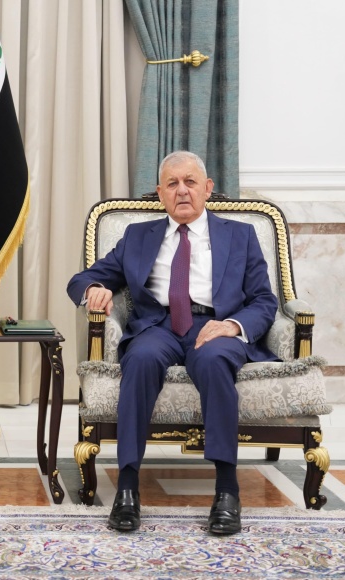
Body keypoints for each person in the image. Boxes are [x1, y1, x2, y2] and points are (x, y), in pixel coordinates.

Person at [67, 151, 278, 535]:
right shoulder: (138, 237)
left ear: (207, 188)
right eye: (172, 184)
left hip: (214, 326)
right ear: (160, 193)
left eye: (190, 182)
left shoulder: (240, 235)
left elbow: (264, 300)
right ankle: (127, 488)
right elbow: (81, 279)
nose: (182, 191)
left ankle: (227, 491)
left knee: (214, 361)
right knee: (140, 359)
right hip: (158, 326)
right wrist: (95, 288)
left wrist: (232, 326)